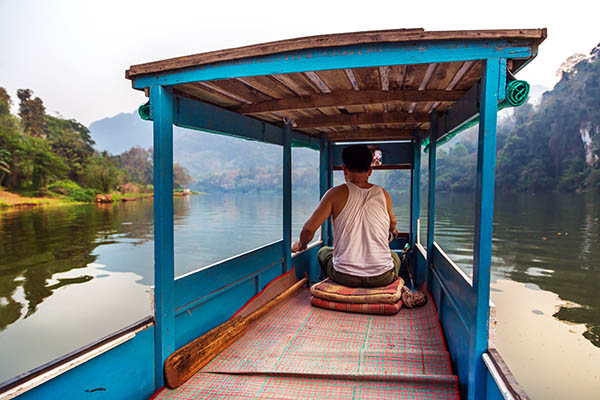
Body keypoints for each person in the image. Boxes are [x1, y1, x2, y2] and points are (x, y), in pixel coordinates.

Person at [291, 144, 401, 288]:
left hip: (344, 276)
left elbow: (308, 229)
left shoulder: (334, 194)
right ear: (370, 170)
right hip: (382, 277)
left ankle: (331, 282)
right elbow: (393, 222)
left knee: (324, 252)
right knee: (394, 257)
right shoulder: (383, 194)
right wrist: (393, 230)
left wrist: (301, 245)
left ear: (344, 169)